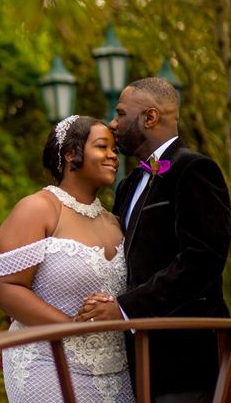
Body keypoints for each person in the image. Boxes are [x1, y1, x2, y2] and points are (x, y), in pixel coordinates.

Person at [76, 77, 231, 402]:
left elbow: (202, 260)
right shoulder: (128, 185)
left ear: (150, 117)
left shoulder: (196, 170)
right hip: (139, 357)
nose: (113, 123)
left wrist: (125, 309)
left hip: (189, 357)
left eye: (120, 114)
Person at [0, 115, 135, 402]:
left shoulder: (115, 222)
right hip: (47, 362)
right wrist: (70, 325)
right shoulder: (39, 208)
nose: (113, 156)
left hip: (116, 372)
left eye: (114, 149)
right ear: (70, 154)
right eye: (103, 147)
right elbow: (0, 285)